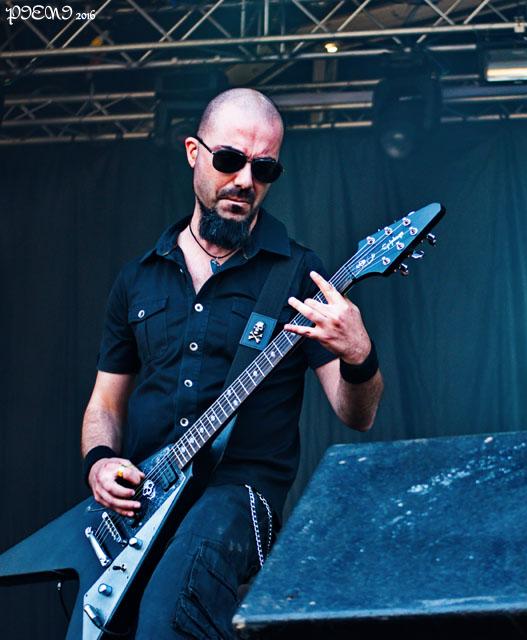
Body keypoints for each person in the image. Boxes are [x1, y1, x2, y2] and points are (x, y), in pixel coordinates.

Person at [80, 88, 384, 638]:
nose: (245, 180)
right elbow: (105, 402)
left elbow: (355, 413)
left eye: (264, 168)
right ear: (193, 152)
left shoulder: (298, 273)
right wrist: (100, 463)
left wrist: (359, 353)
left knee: (169, 613)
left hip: (243, 498)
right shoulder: (139, 277)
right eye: (229, 160)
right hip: (145, 504)